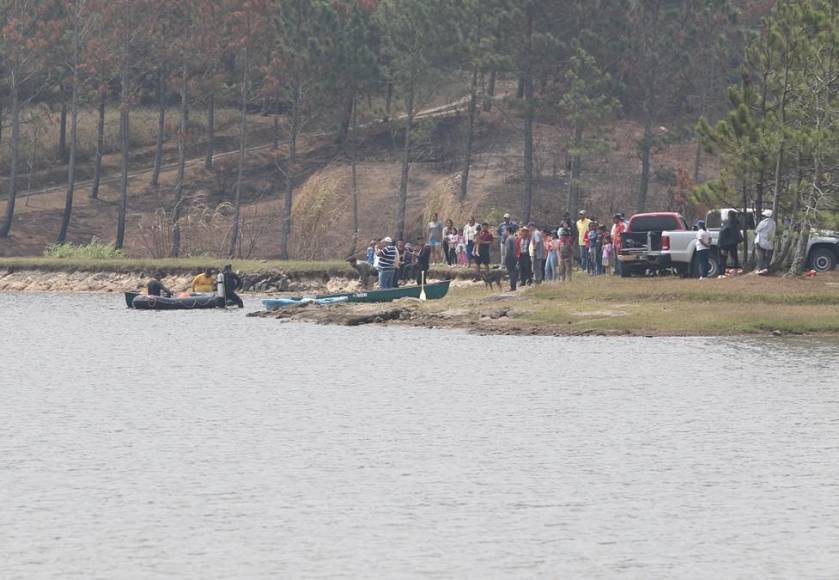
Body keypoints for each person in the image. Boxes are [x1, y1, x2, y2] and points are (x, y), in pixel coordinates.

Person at [717, 210, 743, 277]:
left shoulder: (726, 222)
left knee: (723, 258)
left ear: (728, 215)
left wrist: (720, 245)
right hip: (732, 243)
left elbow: (722, 233)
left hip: (724, 243)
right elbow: (739, 223)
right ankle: (735, 272)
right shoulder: (735, 222)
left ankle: (721, 273)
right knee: (734, 257)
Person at [754, 209, 776, 274]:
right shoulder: (774, 223)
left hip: (760, 241)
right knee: (767, 257)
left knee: (760, 256)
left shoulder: (763, 222)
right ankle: (765, 268)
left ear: (765, 216)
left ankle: (759, 269)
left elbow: (756, 231)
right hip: (768, 243)